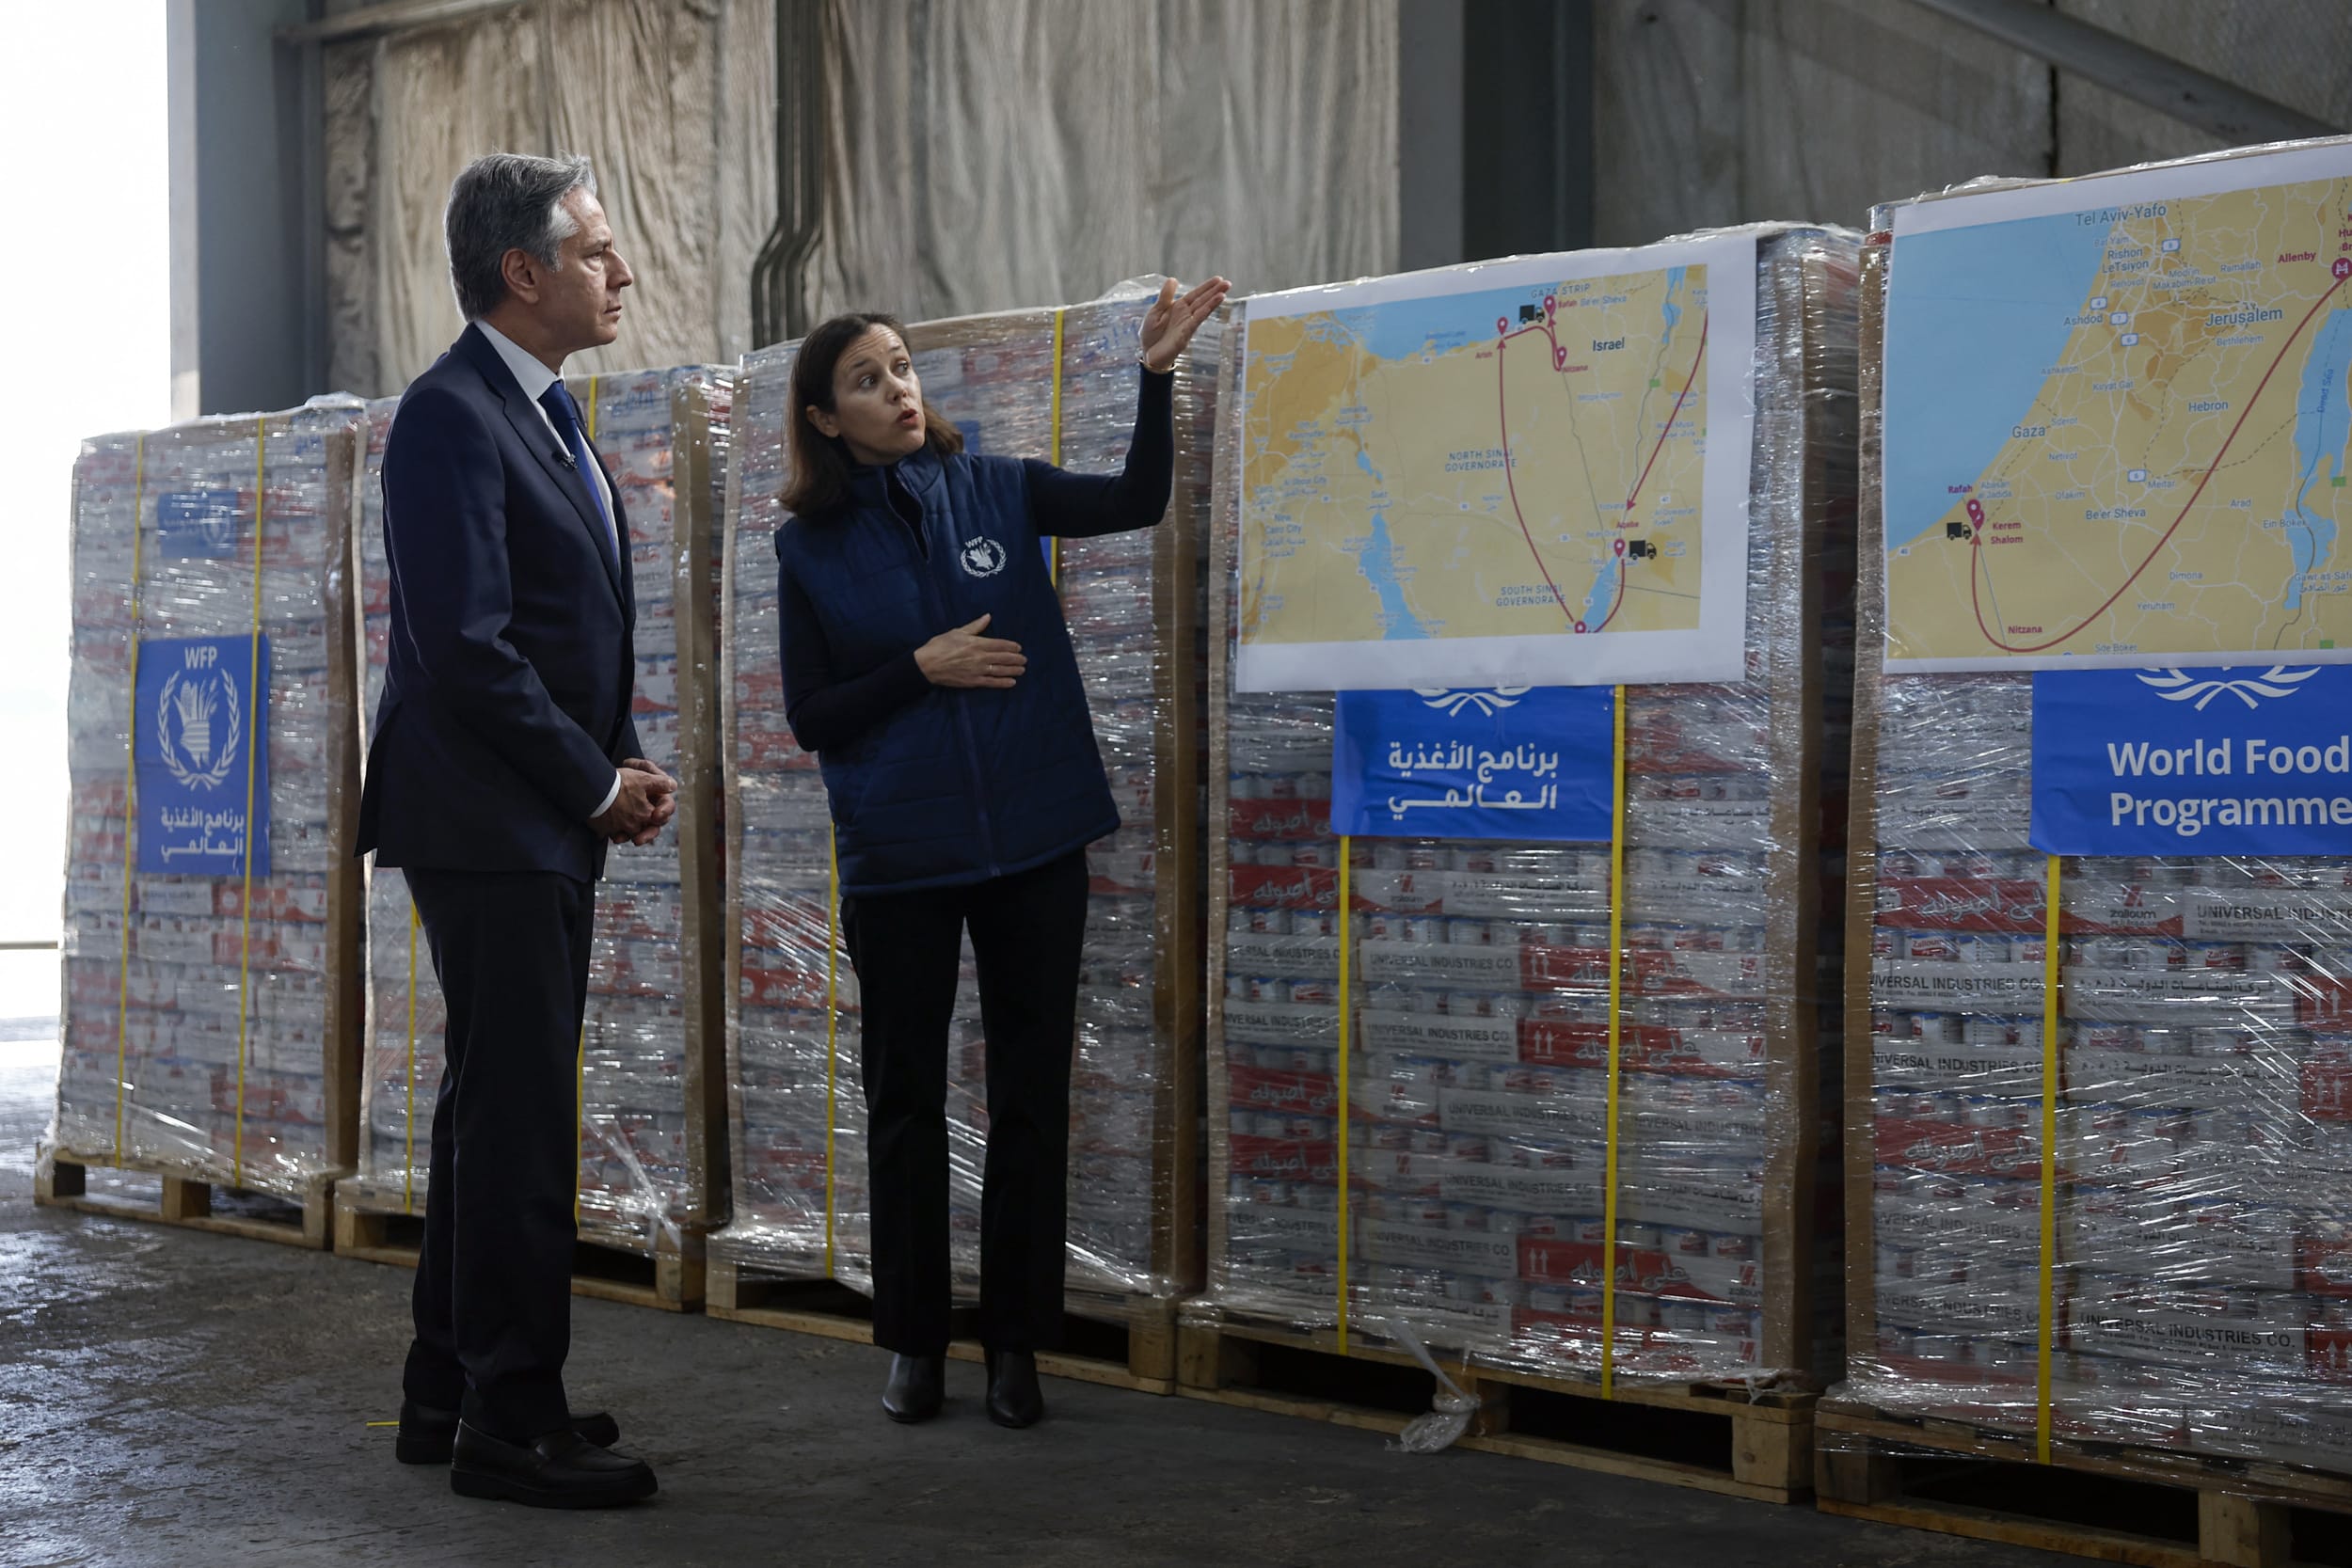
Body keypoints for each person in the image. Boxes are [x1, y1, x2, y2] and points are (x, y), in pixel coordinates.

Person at [774, 275, 1229, 1428]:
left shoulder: (995, 489)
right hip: (903, 854)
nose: (896, 391)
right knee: (905, 1099)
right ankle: (915, 1344)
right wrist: (917, 669)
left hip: (1032, 838)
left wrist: (1155, 375)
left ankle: (1017, 1344)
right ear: (826, 418)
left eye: (901, 368)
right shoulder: (809, 547)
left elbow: (1133, 497)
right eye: (867, 380)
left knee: (1031, 1093)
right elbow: (812, 712)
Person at [358, 150, 675, 1509]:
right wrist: (592, 783)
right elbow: (469, 648)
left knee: (489, 1109)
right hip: (491, 816)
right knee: (525, 1123)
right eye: (597, 251)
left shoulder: (543, 411)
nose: (622, 272)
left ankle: (449, 1387)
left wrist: (615, 756)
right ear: (522, 274)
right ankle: (513, 1416)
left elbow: (561, 621)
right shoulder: (450, 415)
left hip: (534, 805)